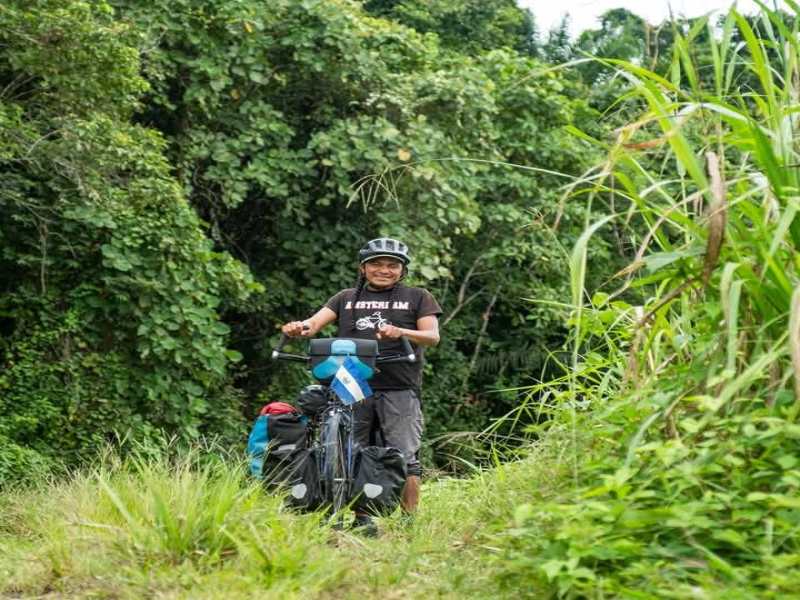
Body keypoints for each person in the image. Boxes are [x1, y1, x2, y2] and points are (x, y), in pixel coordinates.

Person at [281, 237, 441, 533]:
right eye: (376, 264)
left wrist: (399, 331)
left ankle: (409, 523)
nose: (384, 270)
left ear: (402, 270)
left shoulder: (418, 296)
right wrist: (296, 328)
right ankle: (360, 518)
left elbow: (432, 336)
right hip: (351, 383)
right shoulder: (344, 298)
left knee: (404, 453)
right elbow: (313, 325)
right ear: (363, 268)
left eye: (392, 265)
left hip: (399, 386)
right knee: (349, 449)